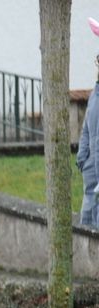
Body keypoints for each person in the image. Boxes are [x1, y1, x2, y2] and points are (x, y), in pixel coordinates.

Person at [78, 53, 99, 229]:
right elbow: (86, 128)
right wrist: (83, 157)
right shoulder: (95, 93)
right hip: (92, 169)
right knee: (87, 225)